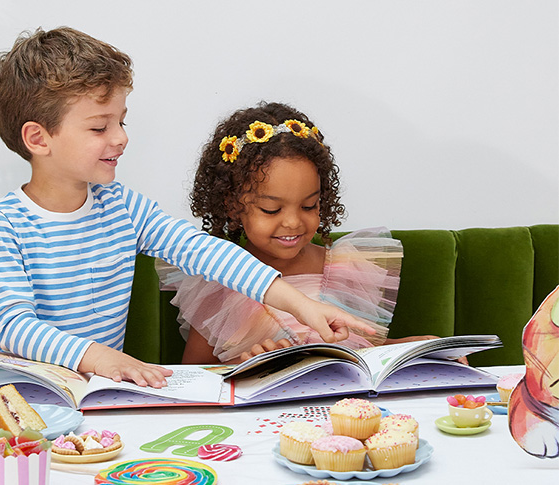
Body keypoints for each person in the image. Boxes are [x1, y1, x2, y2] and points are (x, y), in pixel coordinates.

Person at [0, 28, 374, 389]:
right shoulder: (3, 222)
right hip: (16, 387)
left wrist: (301, 305)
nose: (120, 138)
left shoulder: (123, 207)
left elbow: (206, 253)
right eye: (100, 127)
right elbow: (15, 326)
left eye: (122, 122)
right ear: (38, 138)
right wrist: (99, 357)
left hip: (92, 387)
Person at [164, 102, 439, 364]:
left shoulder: (348, 269)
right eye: (271, 209)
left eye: (309, 205)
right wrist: (245, 362)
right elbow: (196, 371)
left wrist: (414, 346)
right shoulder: (220, 281)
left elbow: (360, 354)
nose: (293, 222)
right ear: (231, 204)